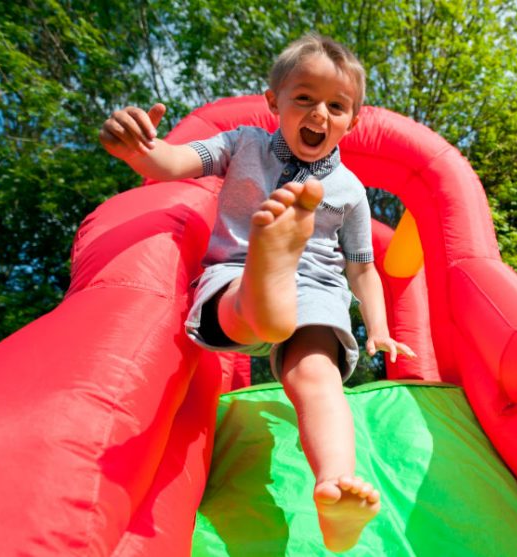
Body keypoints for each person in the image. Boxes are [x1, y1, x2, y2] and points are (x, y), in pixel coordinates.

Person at [98, 33, 413, 552]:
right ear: (274, 101)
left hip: (315, 287)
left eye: (336, 106)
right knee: (260, 319)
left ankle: (335, 485)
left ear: (352, 121)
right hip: (236, 270)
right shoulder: (240, 143)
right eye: (304, 98)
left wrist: (379, 327)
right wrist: (141, 149)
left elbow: (362, 269)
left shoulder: (350, 191)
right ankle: (267, 276)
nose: (319, 114)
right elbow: (172, 163)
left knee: (315, 375)